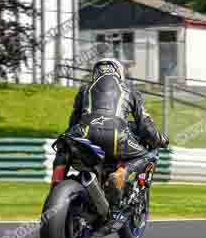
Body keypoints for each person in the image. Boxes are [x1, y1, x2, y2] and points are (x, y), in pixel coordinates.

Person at [50, 58, 169, 203]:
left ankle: (56, 182)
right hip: (116, 136)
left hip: (82, 134)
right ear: (119, 72)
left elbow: (73, 123)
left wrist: (66, 142)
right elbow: (145, 126)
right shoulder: (131, 90)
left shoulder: (84, 89)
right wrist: (161, 140)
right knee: (146, 156)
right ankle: (121, 173)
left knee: (64, 148)